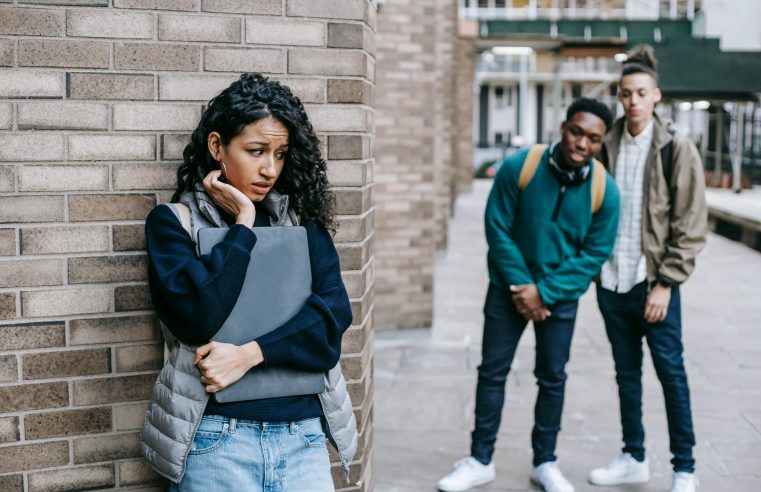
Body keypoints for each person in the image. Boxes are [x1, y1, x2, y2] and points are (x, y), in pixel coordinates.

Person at [139, 73, 357, 491]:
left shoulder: (302, 224)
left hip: (304, 438)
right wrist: (243, 225)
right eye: (256, 151)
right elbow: (200, 315)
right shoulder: (173, 225)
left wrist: (250, 354)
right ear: (217, 146)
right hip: (215, 441)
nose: (270, 168)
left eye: (281, 153)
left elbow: (330, 325)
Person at [437, 98, 620, 492]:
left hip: (560, 297)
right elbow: (497, 227)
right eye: (576, 132)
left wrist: (546, 292)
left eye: (592, 138)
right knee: (492, 372)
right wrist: (523, 287)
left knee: (552, 377)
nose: (581, 144)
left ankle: (545, 462)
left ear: (600, 143)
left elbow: (595, 254)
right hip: (508, 290)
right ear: (563, 127)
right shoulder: (521, 166)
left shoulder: (606, 190)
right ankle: (480, 459)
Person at [588, 45, 707, 492]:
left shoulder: (677, 148)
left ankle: (685, 468)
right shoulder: (606, 145)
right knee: (626, 375)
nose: (632, 101)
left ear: (656, 95)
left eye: (641, 92)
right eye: (625, 93)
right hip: (612, 282)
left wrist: (667, 283)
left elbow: (691, 223)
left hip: (653, 285)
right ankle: (633, 456)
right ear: (619, 97)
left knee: (670, 374)